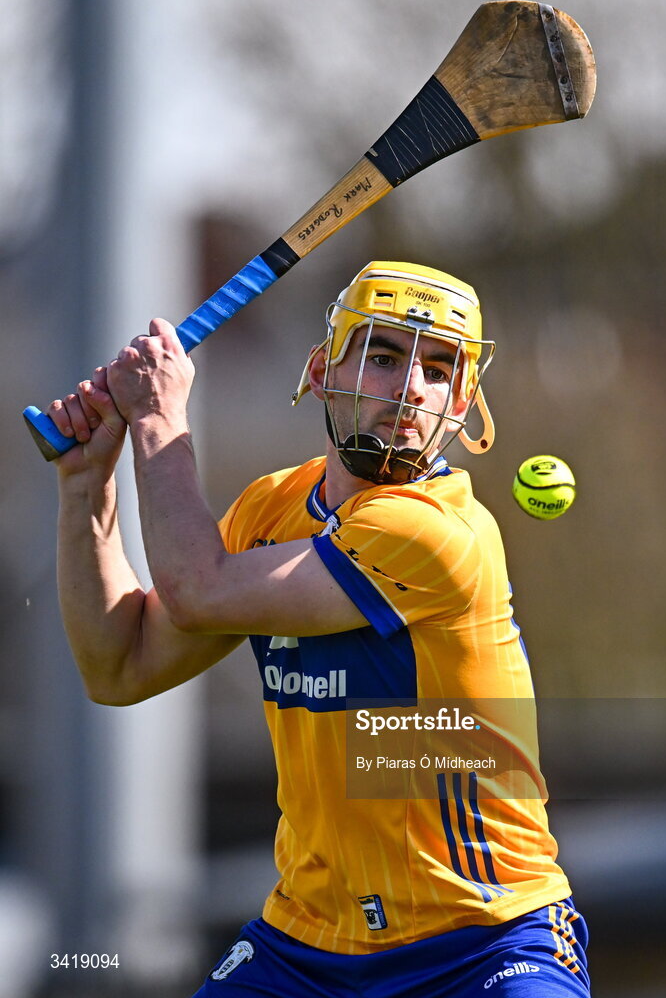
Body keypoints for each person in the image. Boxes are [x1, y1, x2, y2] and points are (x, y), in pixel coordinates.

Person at [49, 261, 590, 997]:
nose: (410, 389)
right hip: (306, 948)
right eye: (385, 354)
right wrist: (87, 488)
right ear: (322, 369)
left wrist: (157, 419)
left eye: (438, 369)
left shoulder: (436, 534)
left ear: (463, 400)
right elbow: (121, 666)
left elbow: (196, 589)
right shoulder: (271, 511)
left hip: (483, 942)